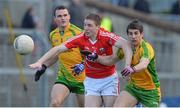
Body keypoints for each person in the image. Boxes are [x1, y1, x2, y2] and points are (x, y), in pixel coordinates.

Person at [29, 13, 132, 107]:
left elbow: (125, 44)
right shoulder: (80, 38)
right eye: (85, 25)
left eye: (89, 25)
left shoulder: (106, 36)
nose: (86, 28)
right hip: (91, 81)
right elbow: (58, 49)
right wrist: (40, 62)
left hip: (108, 79)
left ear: (98, 27)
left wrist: (127, 65)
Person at [97, 20, 161, 107]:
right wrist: (96, 58)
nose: (133, 36)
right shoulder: (126, 47)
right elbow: (111, 60)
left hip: (150, 91)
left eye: (136, 33)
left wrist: (132, 69)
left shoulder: (146, 48)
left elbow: (144, 64)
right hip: (133, 88)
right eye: (130, 34)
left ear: (142, 34)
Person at [34, 6, 85, 107]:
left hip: (83, 79)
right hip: (64, 77)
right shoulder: (53, 35)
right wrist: (44, 66)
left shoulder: (78, 33)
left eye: (65, 15)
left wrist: (82, 65)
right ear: (55, 19)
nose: (63, 18)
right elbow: (56, 55)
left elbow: (90, 55)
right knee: (54, 103)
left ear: (69, 17)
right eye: (60, 16)